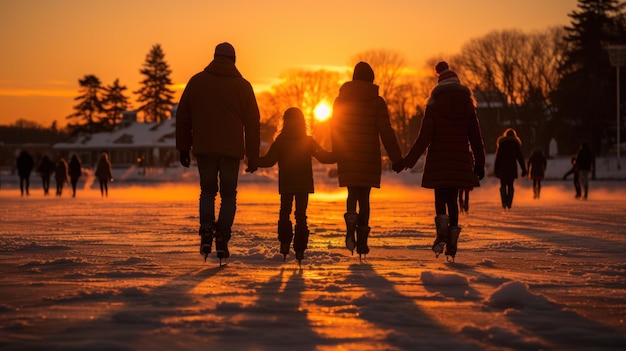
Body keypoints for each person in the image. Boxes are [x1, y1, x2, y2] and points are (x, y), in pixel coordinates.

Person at [176, 42, 261, 264]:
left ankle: (206, 232)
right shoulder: (243, 86)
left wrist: (184, 147)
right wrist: (253, 155)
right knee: (229, 195)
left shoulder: (197, 82)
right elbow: (253, 123)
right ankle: (222, 236)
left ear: (214, 57)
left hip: (204, 148)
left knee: (207, 191)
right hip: (232, 151)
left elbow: (183, 115)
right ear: (234, 60)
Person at [398, 61, 485, 261]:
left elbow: (424, 137)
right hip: (459, 161)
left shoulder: (434, 105)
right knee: (453, 201)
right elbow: (476, 137)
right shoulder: (468, 106)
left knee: (440, 200)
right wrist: (479, 163)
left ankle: (441, 234)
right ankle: (452, 241)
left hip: (438, 161)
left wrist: (407, 161)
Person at [330, 61, 403, 259]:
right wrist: (397, 159)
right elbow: (386, 132)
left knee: (351, 194)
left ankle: (350, 228)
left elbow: (334, 128)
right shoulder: (377, 102)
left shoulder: (340, 101)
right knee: (365, 199)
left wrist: (336, 151)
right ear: (371, 79)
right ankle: (362, 241)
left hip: (347, 155)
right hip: (368, 157)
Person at [257, 107, 335, 263]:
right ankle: (300, 248)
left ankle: (285, 243)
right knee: (301, 215)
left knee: (285, 211)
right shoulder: (308, 141)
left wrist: (252, 160)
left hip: (287, 183)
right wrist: (341, 152)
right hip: (304, 184)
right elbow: (325, 157)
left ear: (284, 122)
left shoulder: (280, 141)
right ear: (302, 122)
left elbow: (268, 161)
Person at [494, 128, 526, 210]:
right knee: (511, 186)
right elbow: (520, 157)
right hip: (512, 169)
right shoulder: (515, 144)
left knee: (503, 185)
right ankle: (509, 203)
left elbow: (498, 158)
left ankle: (504, 202)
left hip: (502, 169)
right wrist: (524, 169)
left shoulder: (502, 143)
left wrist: (496, 170)